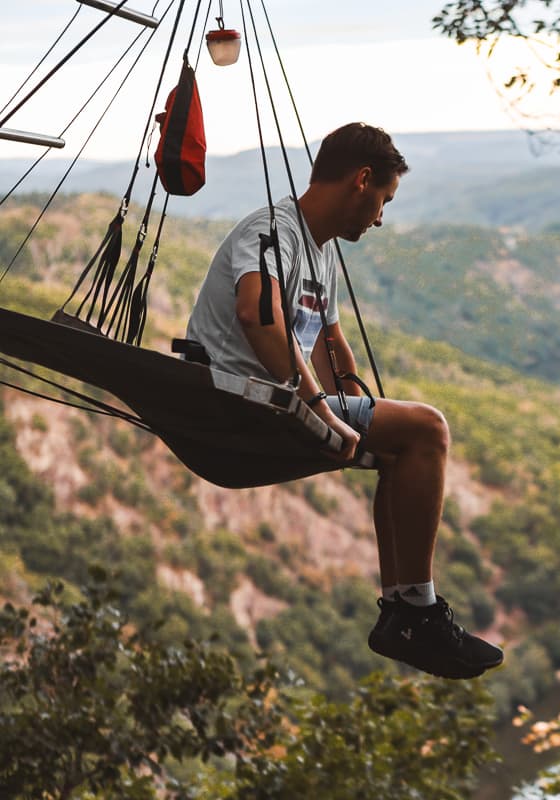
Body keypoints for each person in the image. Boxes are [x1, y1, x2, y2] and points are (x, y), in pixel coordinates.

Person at [186, 122, 503, 680]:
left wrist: (356, 401)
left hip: (275, 406)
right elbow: (259, 317)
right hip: (242, 405)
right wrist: (321, 408)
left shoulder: (321, 252)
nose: (381, 217)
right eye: (383, 200)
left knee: (403, 448)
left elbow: (332, 348)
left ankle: (402, 613)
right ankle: (418, 611)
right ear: (362, 180)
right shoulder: (272, 232)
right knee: (430, 429)